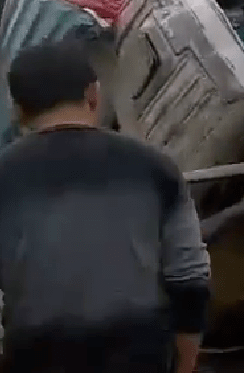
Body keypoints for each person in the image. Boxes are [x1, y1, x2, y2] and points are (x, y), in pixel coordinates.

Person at [0, 41, 211, 373]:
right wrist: (185, 366)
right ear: (93, 95)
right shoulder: (156, 167)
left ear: (19, 110)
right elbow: (190, 279)